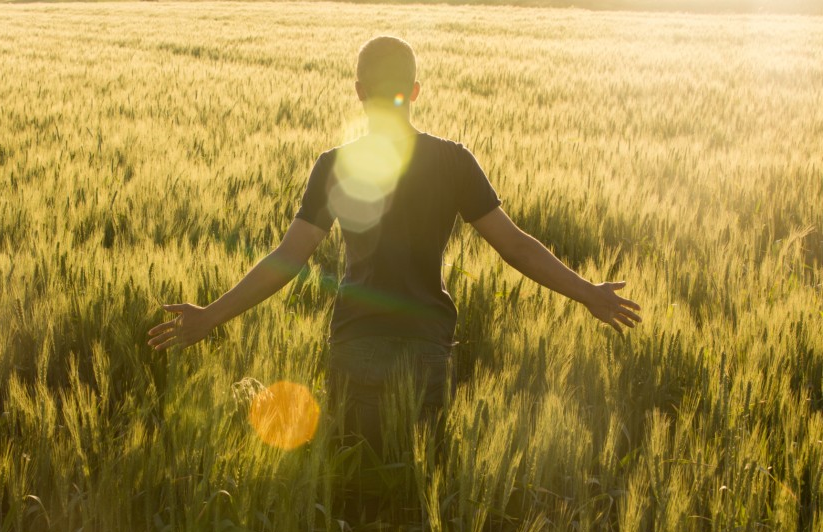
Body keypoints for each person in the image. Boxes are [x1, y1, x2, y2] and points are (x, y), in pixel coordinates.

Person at [146, 36, 641, 451]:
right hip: (426, 350)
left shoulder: (334, 164)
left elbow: (289, 258)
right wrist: (590, 294)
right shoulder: (453, 162)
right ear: (416, 91)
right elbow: (517, 247)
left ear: (359, 91)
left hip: (356, 345)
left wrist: (211, 315)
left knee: (353, 488)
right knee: (415, 489)